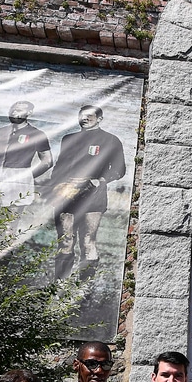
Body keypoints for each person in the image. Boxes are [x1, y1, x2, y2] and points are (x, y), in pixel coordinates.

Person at [47, 105, 126, 277]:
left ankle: (84, 285)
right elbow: (60, 166)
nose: (84, 119)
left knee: (88, 240)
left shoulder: (111, 140)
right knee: (65, 240)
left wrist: (100, 180)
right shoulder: (68, 138)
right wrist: (55, 187)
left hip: (93, 195)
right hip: (67, 194)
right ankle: (59, 284)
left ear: (99, 119)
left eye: (89, 116)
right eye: (81, 115)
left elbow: (120, 169)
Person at [0, 100, 52, 209]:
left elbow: (47, 161)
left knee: (11, 216)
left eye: (19, 110)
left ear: (29, 112)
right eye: (12, 109)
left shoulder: (36, 134)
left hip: (17, 179)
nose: (14, 112)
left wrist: (27, 176)